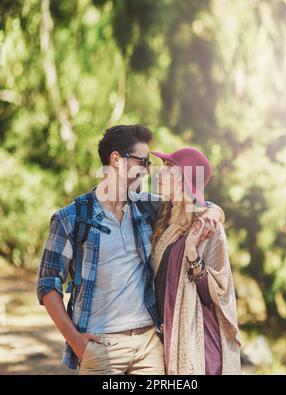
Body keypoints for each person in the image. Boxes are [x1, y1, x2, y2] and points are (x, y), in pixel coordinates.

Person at [36, 125, 225, 375]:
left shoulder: (147, 207)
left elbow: (190, 200)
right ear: (117, 160)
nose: (148, 170)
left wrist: (214, 210)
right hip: (101, 348)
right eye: (143, 162)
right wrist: (76, 341)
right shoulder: (71, 219)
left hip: (149, 346)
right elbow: (48, 285)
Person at [151, 147, 241, 375]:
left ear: (184, 179)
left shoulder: (209, 229)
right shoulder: (161, 218)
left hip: (199, 347)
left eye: (168, 170)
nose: (159, 175)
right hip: (163, 339)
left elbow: (218, 294)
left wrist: (192, 251)